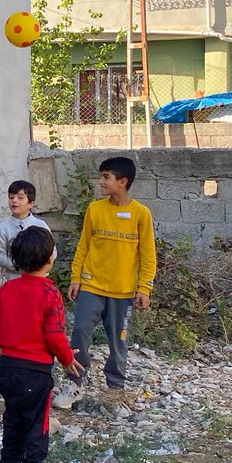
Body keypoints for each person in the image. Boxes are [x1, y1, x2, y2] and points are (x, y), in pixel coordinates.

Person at [54, 157, 156, 409]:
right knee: (79, 334)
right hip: (92, 286)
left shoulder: (141, 214)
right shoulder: (95, 209)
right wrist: (76, 277)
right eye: (101, 176)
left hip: (123, 292)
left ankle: (115, 390)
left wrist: (144, 287)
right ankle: (75, 382)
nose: (100, 181)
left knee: (118, 341)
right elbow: (84, 246)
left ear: (123, 182)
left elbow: (148, 255)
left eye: (106, 177)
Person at [0, 226, 83, 463]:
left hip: (7, 368)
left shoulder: (8, 288)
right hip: (35, 372)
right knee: (36, 425)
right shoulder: (50, 293)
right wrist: (67, 357)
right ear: (50, 259)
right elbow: (54, 334)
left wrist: (13, 343)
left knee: (13, 418)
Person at [0, 180, 54, 279]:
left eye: (20, 198)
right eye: (11, 197)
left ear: (31, 203)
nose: (14, 200)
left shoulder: (41, 225)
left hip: (39, 281)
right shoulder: (3, 228)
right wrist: (20, 266)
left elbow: (52, 251)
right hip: (15, 281)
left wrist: (38, 266)